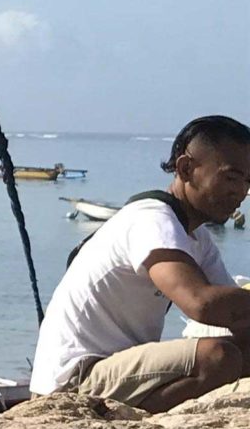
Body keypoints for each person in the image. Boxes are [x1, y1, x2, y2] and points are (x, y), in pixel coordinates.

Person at [30, 116, 250, 411]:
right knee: (218, 357)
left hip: (113, 371)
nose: (242, 192)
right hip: (74, 379)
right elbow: (200, 303)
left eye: (248, 181)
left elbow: (236, 315)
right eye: (232, 178)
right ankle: (129, 422)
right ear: (186, 168)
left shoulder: (197, 237)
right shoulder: (153, 219)